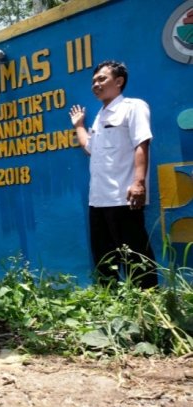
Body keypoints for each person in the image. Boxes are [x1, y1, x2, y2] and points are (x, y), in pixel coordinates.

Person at [69, 60, 158, 289]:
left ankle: (148, 305)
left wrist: (138, 183)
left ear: (118, 82)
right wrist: (79, 125)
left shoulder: (133, 106)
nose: (96, 84)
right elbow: (90, 148)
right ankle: (112, 307)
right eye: (94, 81)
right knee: (105, 259)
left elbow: (142, 143)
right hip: (98, 200)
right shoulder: (99, 117)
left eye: (102, 79)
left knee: (136, 256)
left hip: (123, 197)